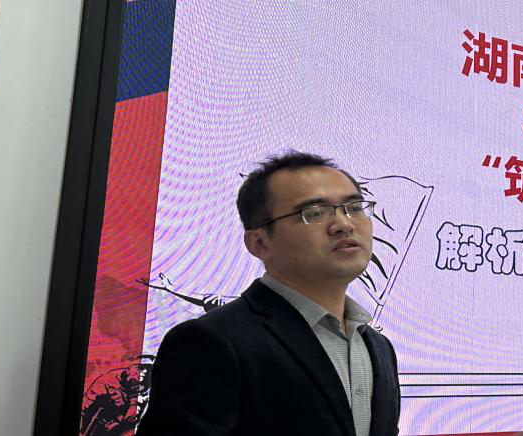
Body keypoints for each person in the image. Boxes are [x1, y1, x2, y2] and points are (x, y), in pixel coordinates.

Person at [138, 151, 400, 435]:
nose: (344, 224)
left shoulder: (378, 346)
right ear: (259, 243)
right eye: (314, 213)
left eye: (355, 207)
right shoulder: (212, 341)